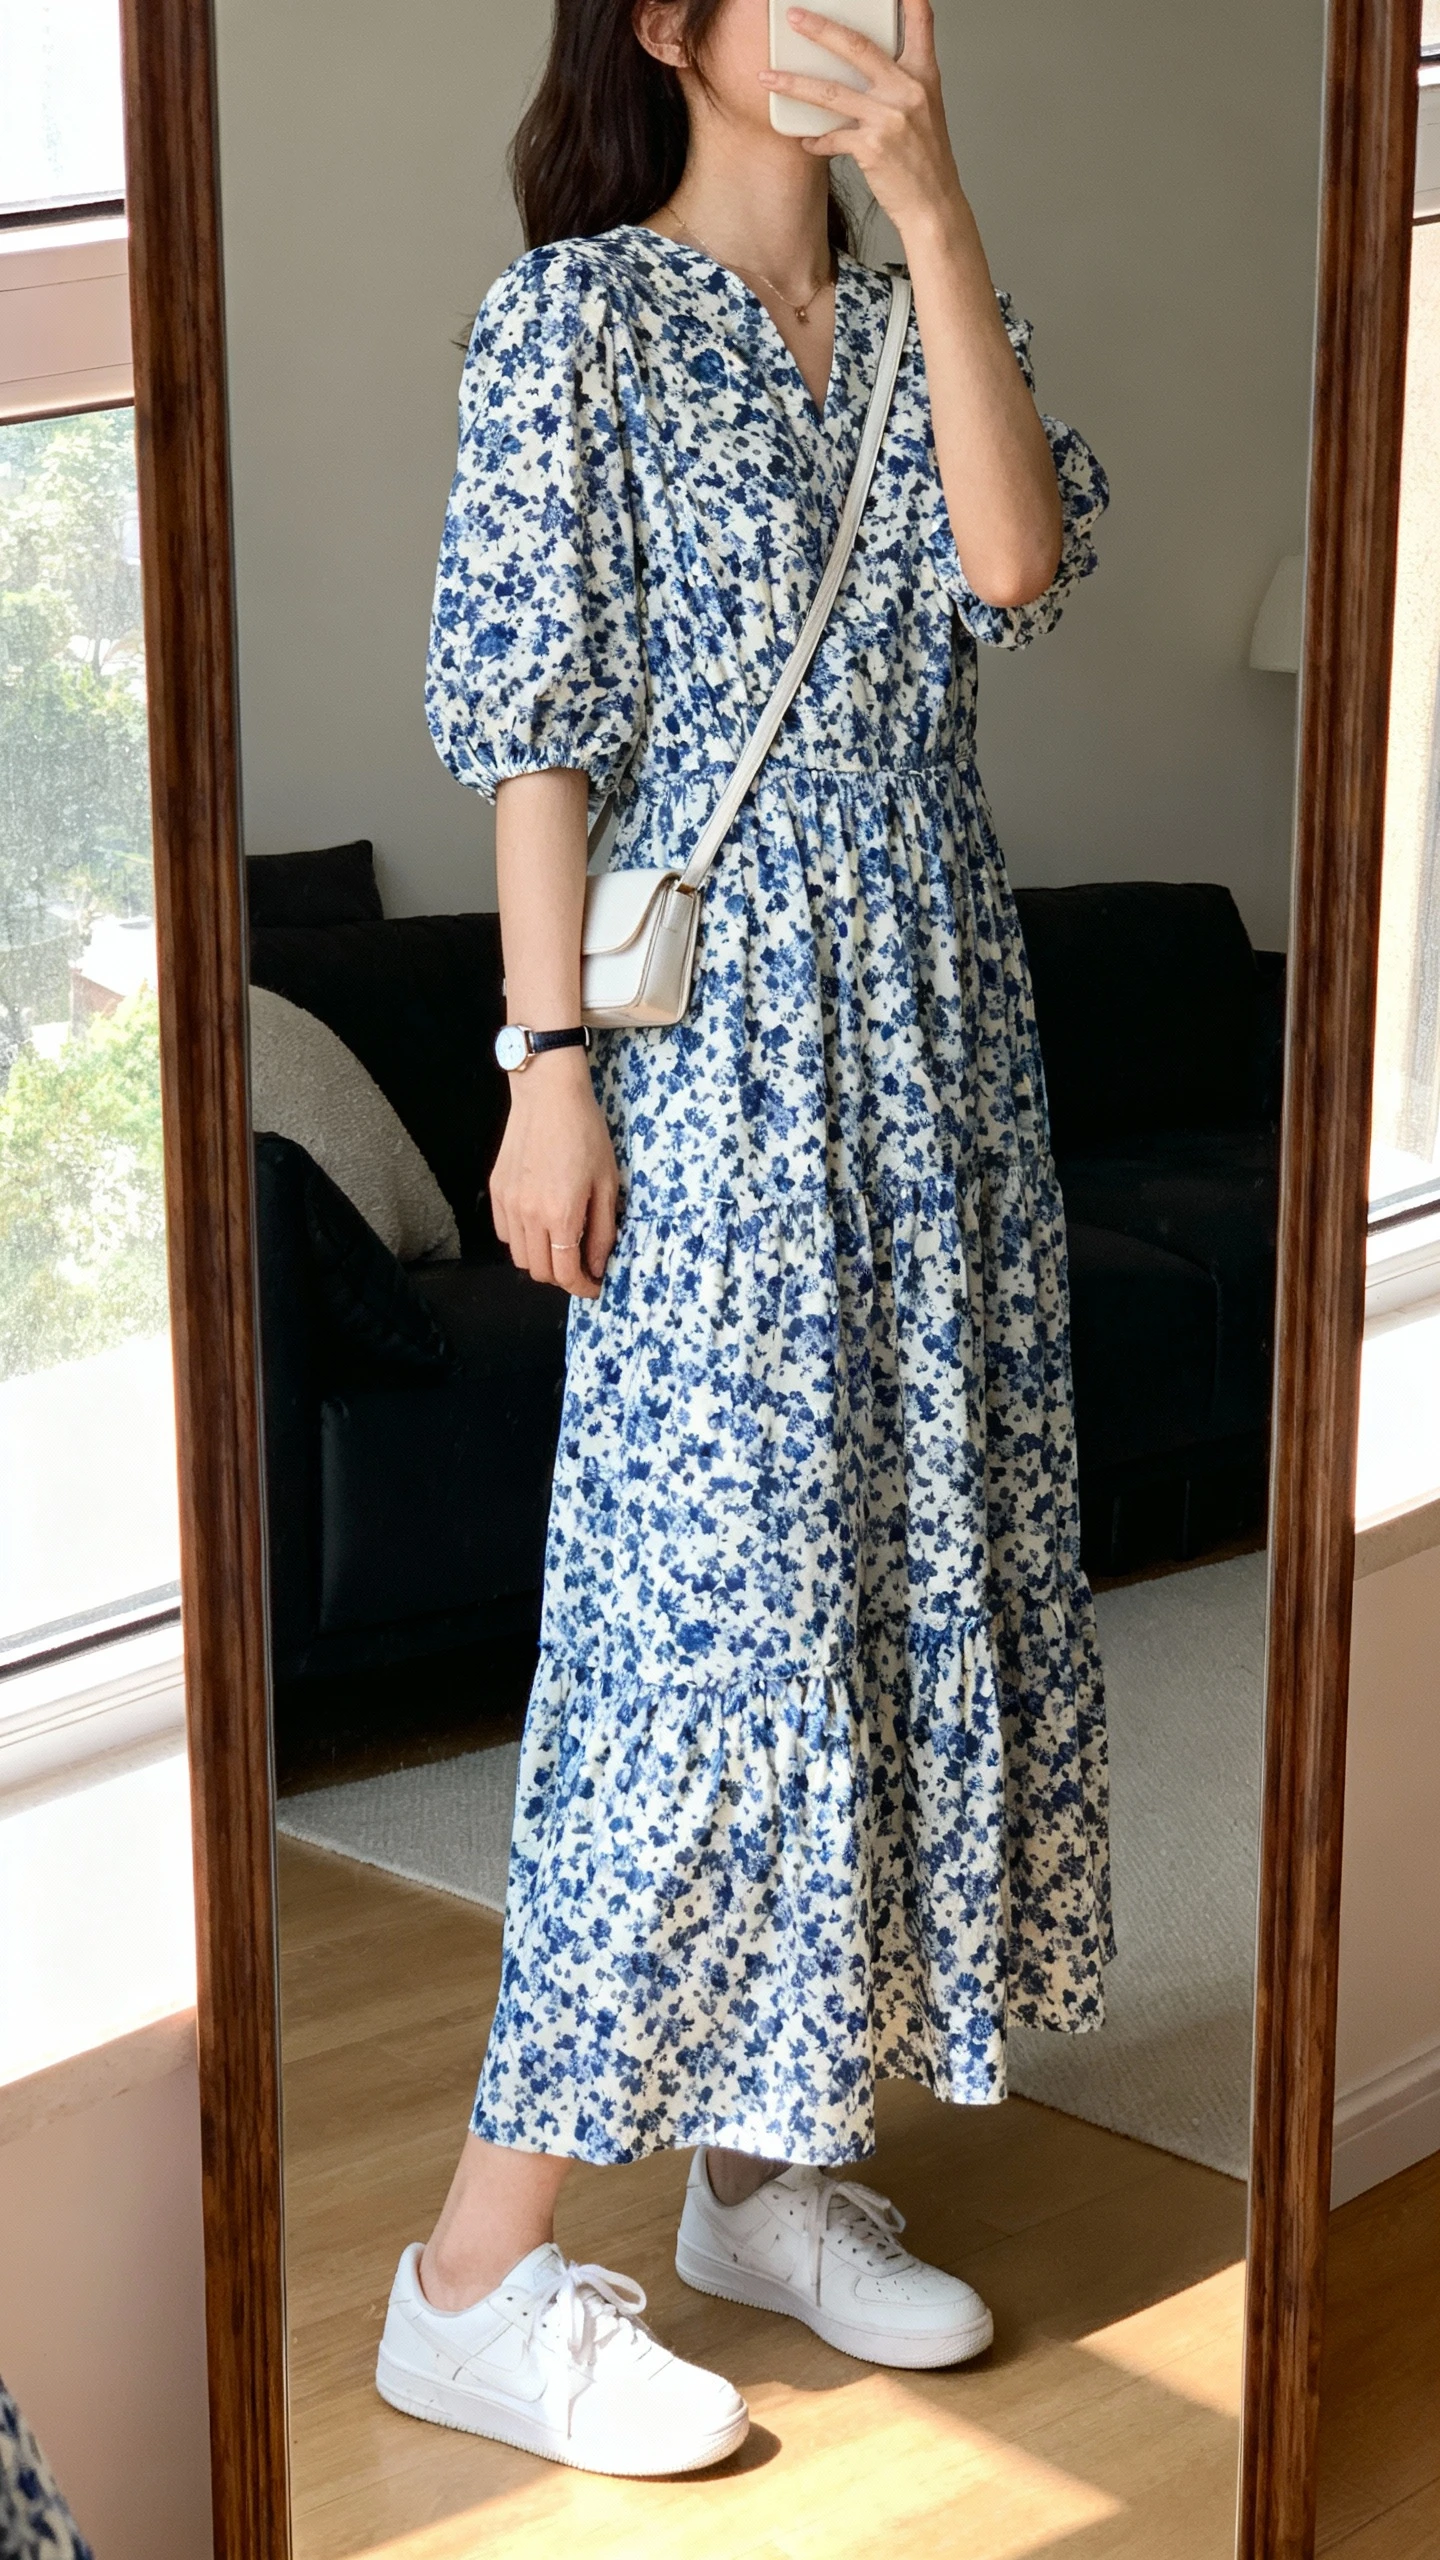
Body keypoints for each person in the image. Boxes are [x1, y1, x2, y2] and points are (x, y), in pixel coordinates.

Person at [376, 0, 1112, 2478]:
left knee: (901, 1600)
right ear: (678, 26)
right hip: (709, 1072)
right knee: (696, 1646)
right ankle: (468, 2277)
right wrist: (543, 1068)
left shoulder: (928, 318)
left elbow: (1015, 568)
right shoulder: (572, 316)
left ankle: (768, 2167)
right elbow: (532, 724)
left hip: (938, 1054)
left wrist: (937, 211)